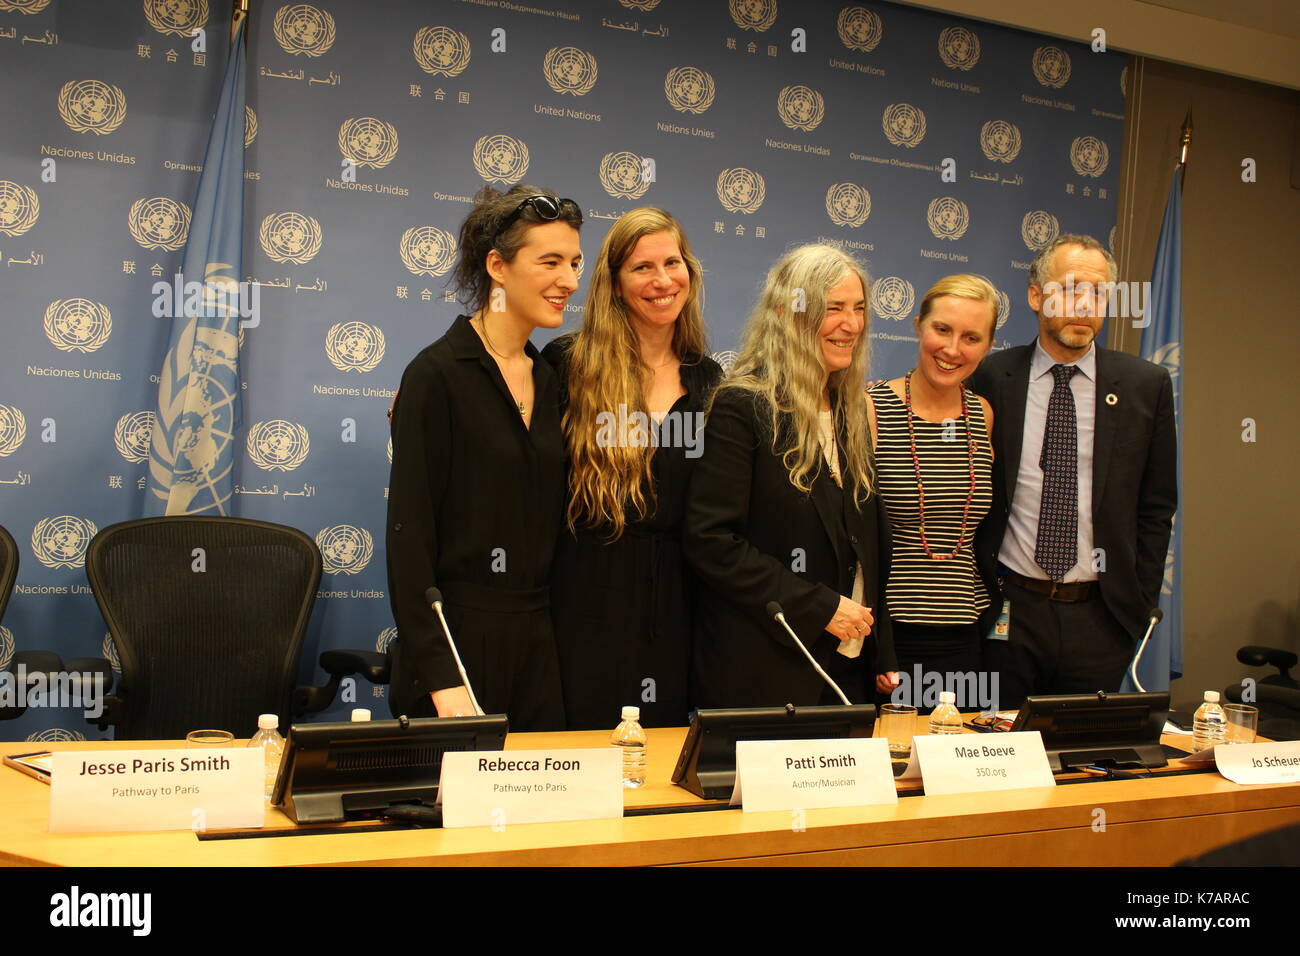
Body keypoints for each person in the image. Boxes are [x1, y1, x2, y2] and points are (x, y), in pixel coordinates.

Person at [385, 184, 583, 731]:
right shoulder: (436, 374)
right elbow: (409, 540)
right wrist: (442, 678)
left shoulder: (550, 377)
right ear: (498, 265)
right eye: (550, 262)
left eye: (574, 263)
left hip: (539, 647)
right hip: (456, 645)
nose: (569, 280)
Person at [969, 234, 1176, 709]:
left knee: (1083, 769)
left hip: (1100, 619)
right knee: (998, 761)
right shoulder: (991, 378)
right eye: (1069, 289)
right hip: (1008, 613)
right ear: (1036, 295)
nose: (1084, 305)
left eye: (1098, 293)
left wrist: (1135, 604)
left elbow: (1157, 505)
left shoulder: (1146, 386)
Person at [684, 243, 894, 708]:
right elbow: (712, 542)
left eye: (858, 309)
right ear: (788, 313)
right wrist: (820, 608)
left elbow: (869, 545)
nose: (852, 324)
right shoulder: (743, 406)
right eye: (833, 308)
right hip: (766, 670)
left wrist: (883, 652)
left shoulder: (849, 410)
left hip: (849, 668)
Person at [542, 208, 722, 730]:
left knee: (656, 755)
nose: (663, 280)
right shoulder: (567, 364)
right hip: (581, 594)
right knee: (581, 753)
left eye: (673, 262)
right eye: (643, 267)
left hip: (676, 605)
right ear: (616, 284)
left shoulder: (709, 380)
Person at [866, 275, 998, 710]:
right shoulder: (871, 406)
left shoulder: (982, 414)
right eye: (942, 329)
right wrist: (878, 646)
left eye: (971, 337)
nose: (953, 349)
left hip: (965, 631)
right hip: (887, 636)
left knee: (956, 769)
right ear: (918, 325)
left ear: (988, 345)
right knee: (888, 768)